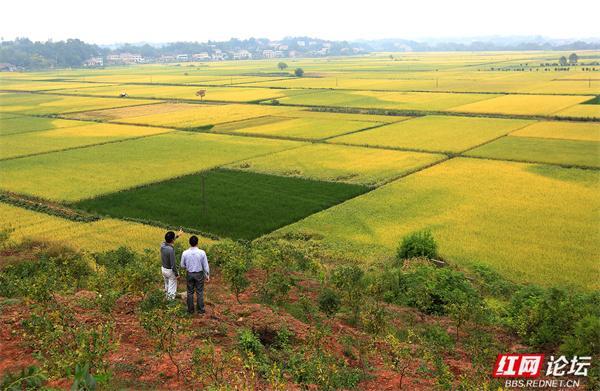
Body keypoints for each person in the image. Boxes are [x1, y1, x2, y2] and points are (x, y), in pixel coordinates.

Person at [180, 235, 210, 314]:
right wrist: (207, 275)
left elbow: (182, 265)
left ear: (189, 243)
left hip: (189, 273)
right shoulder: (202, 252)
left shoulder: (185, 253)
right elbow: (205, 265)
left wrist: (188, 266)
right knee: (199, 292)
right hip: (199, 274)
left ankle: (190, 310)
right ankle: (200, 310)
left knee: (190, 292)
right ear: (197, 243)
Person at [160, 229, 183, 300]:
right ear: (172, 240)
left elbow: (168, 241)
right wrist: (177, 274)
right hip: (170, 271)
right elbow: (173, 264)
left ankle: (165, 299)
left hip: (163, 269)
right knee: (172, 290)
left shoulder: (162, 245)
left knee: (167, 286)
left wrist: (177, 236)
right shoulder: (170, 250)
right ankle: (170, 304)